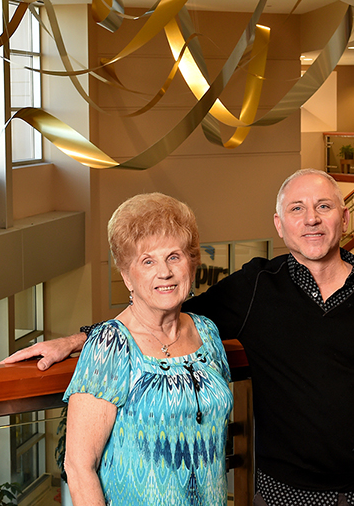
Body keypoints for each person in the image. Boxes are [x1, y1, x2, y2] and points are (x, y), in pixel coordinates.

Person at [5, 169, 354, 506]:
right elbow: (148, 317)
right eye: (297, 208)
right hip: (283, 492)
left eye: (324, 207)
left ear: (345, 217)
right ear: (280, 224)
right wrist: (80, 339)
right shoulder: (255, 287)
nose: (311, 219)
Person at [62, 193, 233, 505]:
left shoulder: (206, 332)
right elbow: (78, 467)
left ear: (191, 265)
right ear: (128, 275)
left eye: (174, 257)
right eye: (148, 261)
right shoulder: (110, 345)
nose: (164, 272)